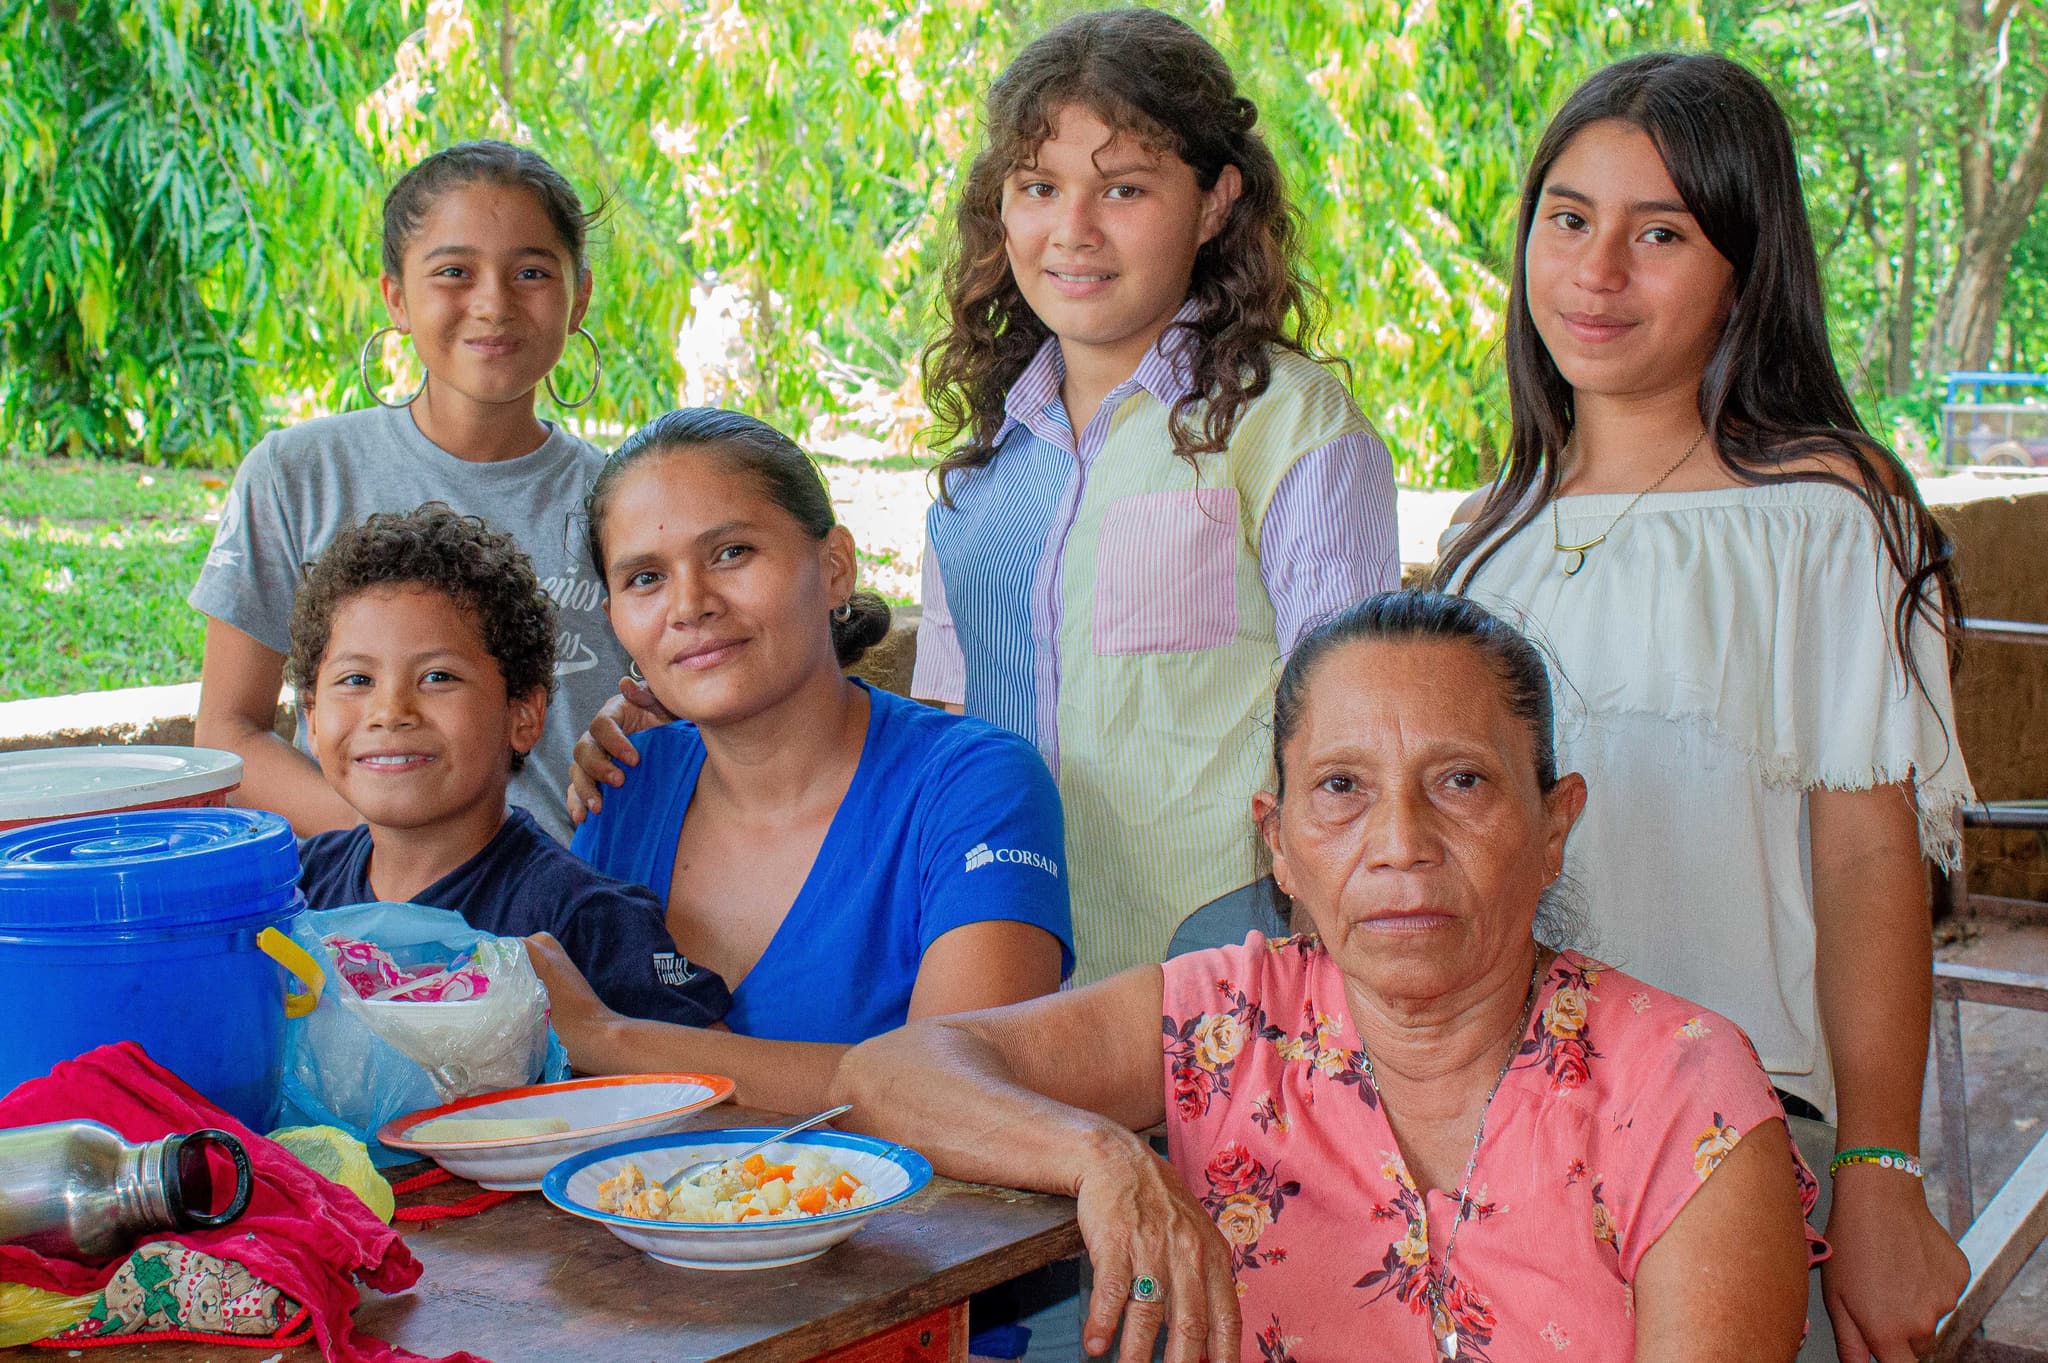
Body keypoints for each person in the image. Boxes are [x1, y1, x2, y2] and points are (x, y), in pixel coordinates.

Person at [566, 7, 1399, 985]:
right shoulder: (976, 480)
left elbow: (1361, 740)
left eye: (1123, 188)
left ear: (1215, 201)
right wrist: (689, 724)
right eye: (1038, 187)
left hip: (1225, 992)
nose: (1072, 230)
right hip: (993, 994)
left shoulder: (1293, 429)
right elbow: (938, 747)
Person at [835, 591, 1817, 1363]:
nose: (1399, 843)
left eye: (1460, 781)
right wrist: (1098, 1154)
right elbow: (889, 1076)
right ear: (1279, 846)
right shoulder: (1224, 1022)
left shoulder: (1683, 1088)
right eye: (1340, 789)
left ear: (1551, 826)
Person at [1433, 53, 1970, 1361]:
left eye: (1659, 232)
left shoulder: (1823, 516)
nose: (1596, 270)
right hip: (1504, 1136)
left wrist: (1883, 1167)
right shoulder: (1485, 546)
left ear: (1745, 263)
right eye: (1568, 219)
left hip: (1740, 1137)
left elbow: (1863, 856)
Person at [530, 408, 1073, 1115]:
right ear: (616, 624)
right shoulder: (626, 783)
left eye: (731, 553)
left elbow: (962, 1094)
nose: (689, 604)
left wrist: (611, 1040)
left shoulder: (973, 786)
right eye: (645, 578)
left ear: (835, 567)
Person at [191, 139, 624, 842]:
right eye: (454, 270)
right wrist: (400, 845)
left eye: (532, 272)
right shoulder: (297, 475)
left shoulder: (628, 503)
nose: (493, 303)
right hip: (357, 915)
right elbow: (229, 731)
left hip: (567, 911)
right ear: (396, 297)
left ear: (580, 298)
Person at [288, 504, 728, 1029]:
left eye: (437, 677)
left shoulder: (580, 921)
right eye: (357, 680)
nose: (390, 713)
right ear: (312, 719)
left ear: (523, 715)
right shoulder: (292, 888)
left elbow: (711, 1079)